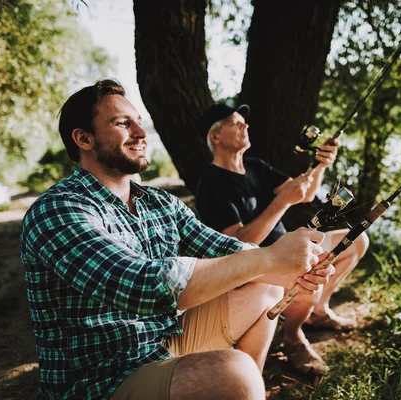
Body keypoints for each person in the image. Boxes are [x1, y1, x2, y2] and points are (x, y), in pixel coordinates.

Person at [20, 79, 336, 400]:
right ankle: (242, 388)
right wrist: (268, 258)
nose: (141, 134)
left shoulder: (160, 202)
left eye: (139, 123)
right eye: (122, 123)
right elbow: (144, 286)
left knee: (264, 286)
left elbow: (230, 250)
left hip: (159, 343)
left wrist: (300, 267)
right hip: (101, 377)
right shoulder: (58, 210)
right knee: (234, 372)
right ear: (83, 138)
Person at [195, 103, 369, 375]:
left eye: (244, 121)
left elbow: (305, 192)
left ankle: (319, 312)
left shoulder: (255, 167)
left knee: (356, 241)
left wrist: (321, 164)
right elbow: (240, 244)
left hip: (289, 248)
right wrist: (282, 202)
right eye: (235, 122)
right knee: (309, 277)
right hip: (257, 266)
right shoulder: (210, 183)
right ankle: (293, 337)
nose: (245, 125)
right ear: (215, 137)